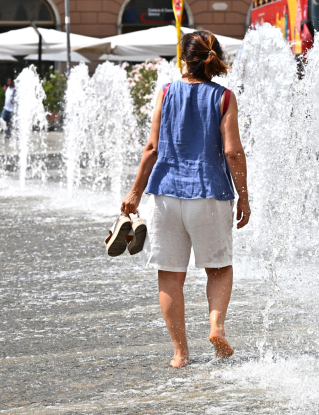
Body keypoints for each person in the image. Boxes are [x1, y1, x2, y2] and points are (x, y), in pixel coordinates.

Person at [120, 31, 250, 368]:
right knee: (218, 269)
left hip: (165, 195)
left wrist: (135, 192)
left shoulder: (166, 92)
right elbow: (233, 152)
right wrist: (244, 197)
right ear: (215, 58)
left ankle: (180, 353)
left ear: (184, 59)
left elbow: (151, 148)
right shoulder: (223, 97)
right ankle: (216, 327)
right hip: (209, 194)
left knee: (170, 274)